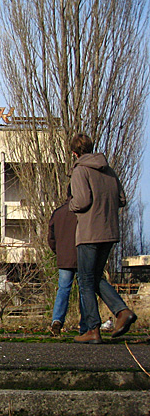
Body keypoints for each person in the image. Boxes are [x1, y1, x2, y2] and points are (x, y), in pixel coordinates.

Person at [69, 133, 137, 344]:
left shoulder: (80, 170)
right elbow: (122, 199)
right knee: (96, 277)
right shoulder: (109, 170)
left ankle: (93, 329)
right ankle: (122, 312)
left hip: (89, 231)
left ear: (74, 153)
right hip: (110, 230)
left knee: (86, 280)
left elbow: (81, 201)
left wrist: (70, 205)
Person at [48, 190, 134, 337]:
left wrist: (59, 252)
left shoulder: (58, 212)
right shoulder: (84, 213)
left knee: (63, 289)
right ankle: (85, 326)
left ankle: (57, 320)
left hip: (64, 258)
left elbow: (51, 238)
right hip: (83, 256)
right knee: (85, 289)